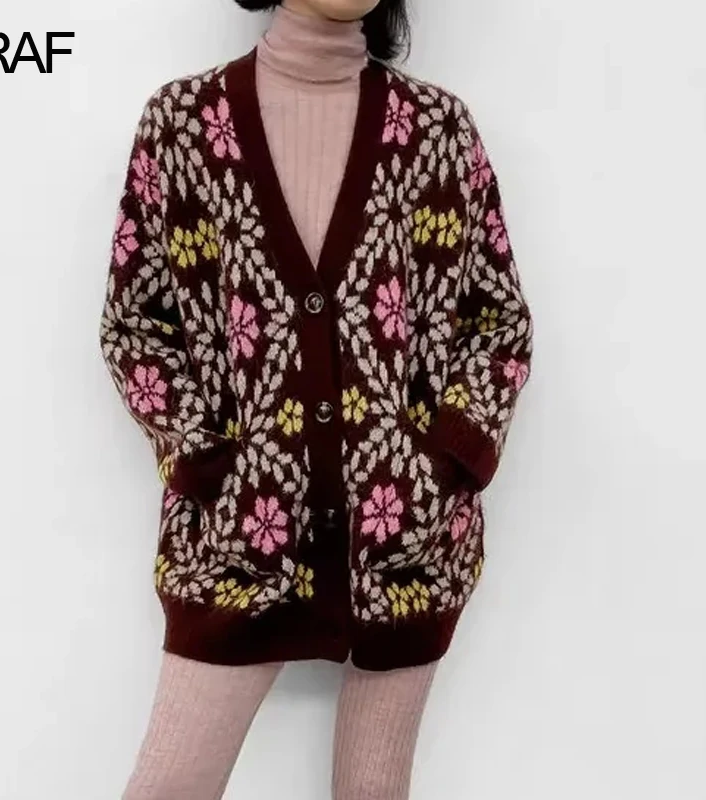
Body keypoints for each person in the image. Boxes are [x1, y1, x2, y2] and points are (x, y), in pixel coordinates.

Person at [98, 0, 534, 797]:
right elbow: (137, 325)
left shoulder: (436, 131)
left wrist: (445, 465)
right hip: (235, 545)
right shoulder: (183, 124)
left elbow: (495, 322)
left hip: (407, 550)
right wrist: (205, 464)